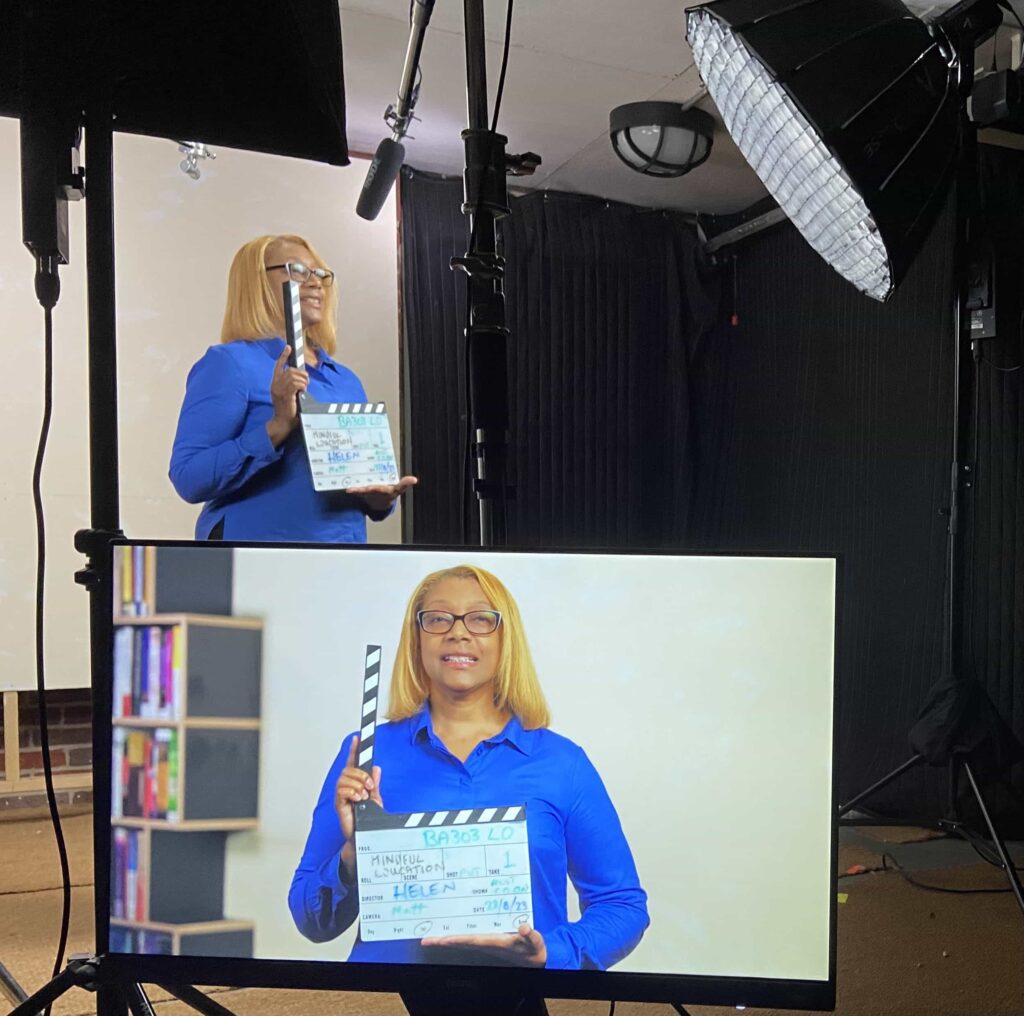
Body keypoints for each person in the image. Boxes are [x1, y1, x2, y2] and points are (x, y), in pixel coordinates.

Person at [288, 564, 649, 970]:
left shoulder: (563, 763)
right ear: (417, 639)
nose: (458, 632)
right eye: (438, 619)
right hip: (382, 1000)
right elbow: (311, 919)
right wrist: (354, 852)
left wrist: (553, 952)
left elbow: (622, 907)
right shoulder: (367, 754)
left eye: (480, 619)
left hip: (516, 1000)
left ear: (505, 639)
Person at [169, 234, 416, 541]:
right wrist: (277, 427)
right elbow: (189, 477)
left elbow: (360, 479)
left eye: (320, 274)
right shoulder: (230, 364)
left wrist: (380, 500)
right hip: (257, 564)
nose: (315, 283)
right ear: (257, 282)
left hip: (342, 564)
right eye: (297, 270)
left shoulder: (345, 380)